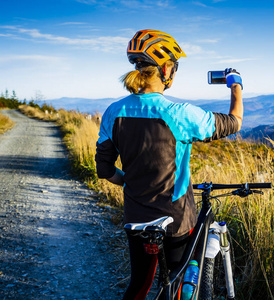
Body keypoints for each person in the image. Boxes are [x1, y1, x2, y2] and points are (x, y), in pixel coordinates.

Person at [95, 29, 243, 299]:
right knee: (174, 282)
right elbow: (234, 122)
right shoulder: (181, 114)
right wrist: (236, 85)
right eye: (175, 67)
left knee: (139, 285)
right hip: (175, 218)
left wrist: (129, 181)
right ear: (166, 69)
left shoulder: (113, 112)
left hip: (136, 219)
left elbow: (104, 169)